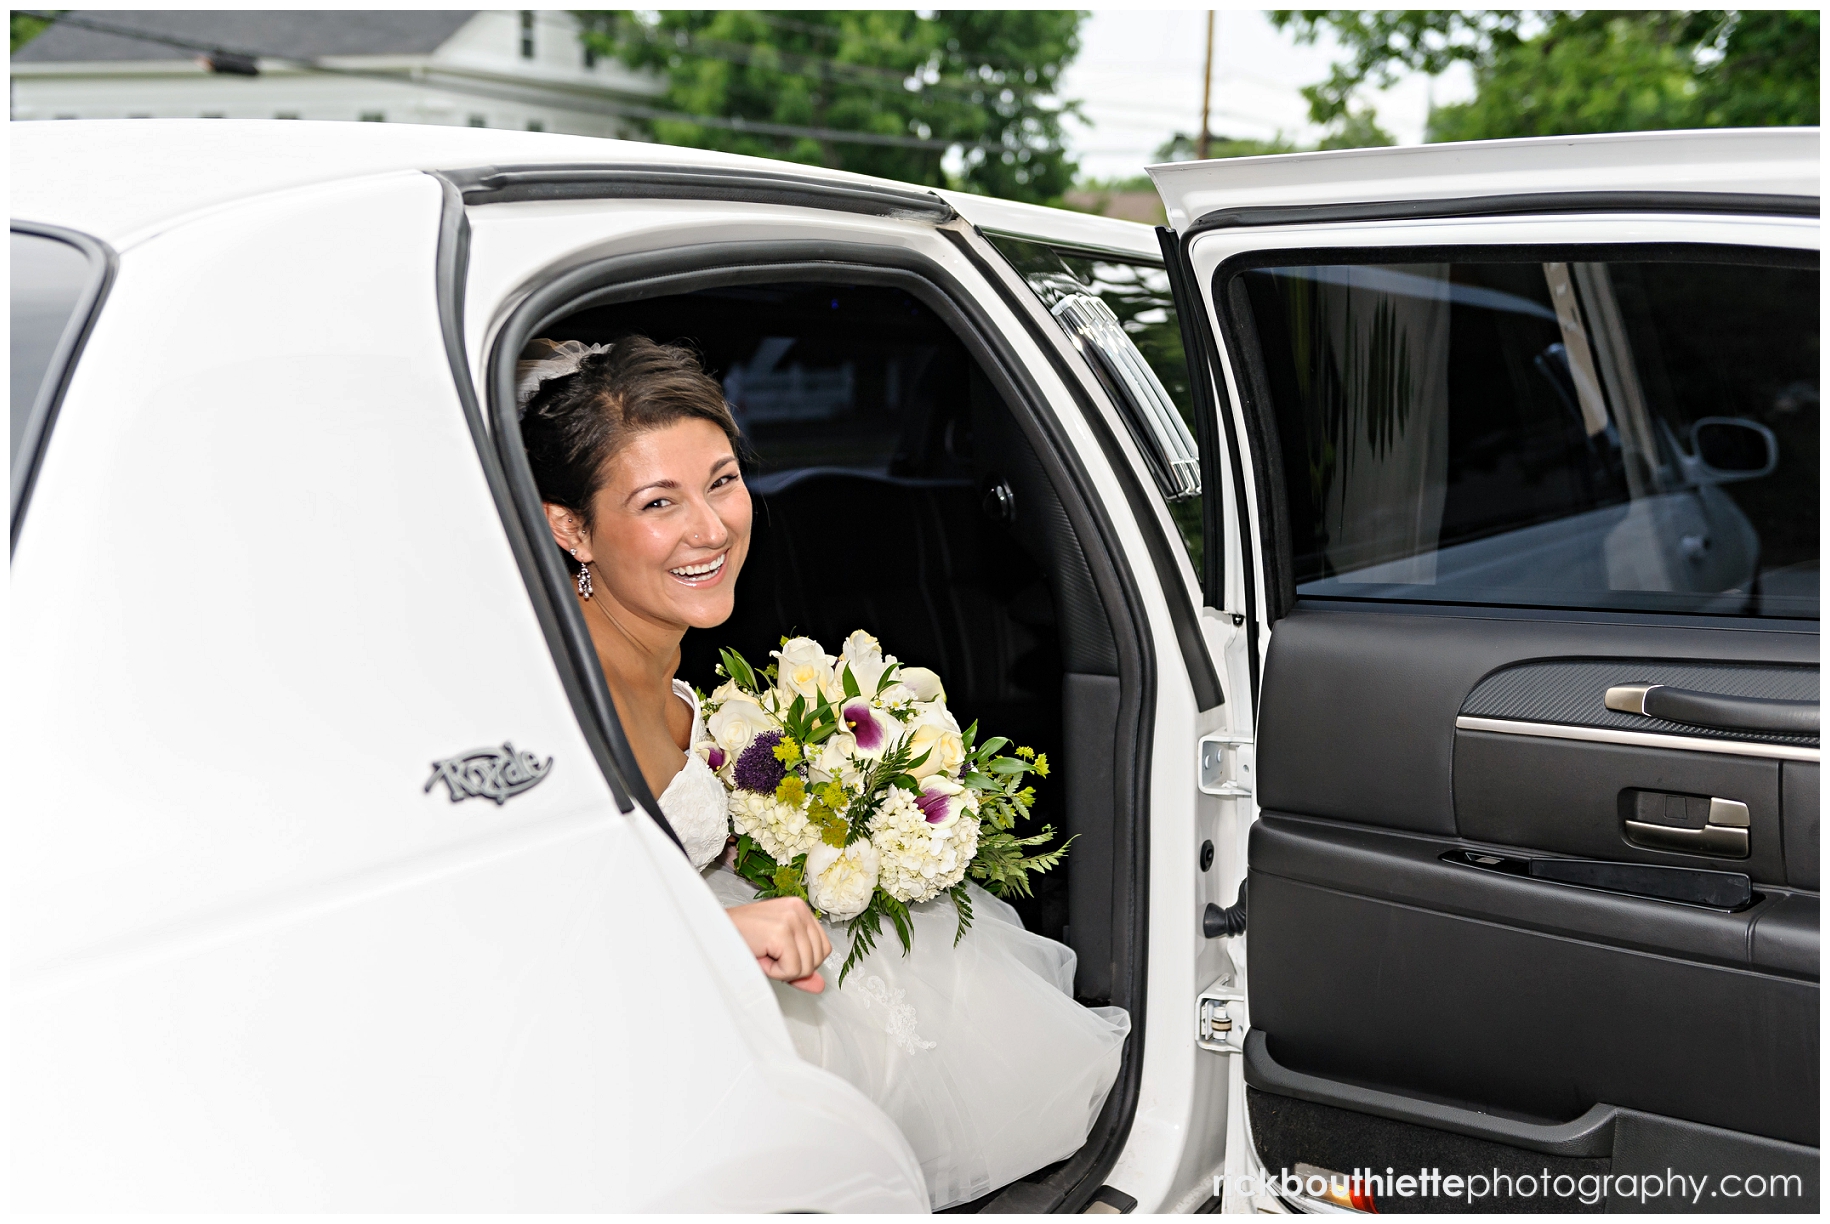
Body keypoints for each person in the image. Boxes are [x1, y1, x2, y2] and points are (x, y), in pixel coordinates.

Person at [518, 335, 1129, 1210]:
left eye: (723, 480)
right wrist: (714, 937)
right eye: (660, 502)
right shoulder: (559, 698)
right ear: (569, 526)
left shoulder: (664, 664)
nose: (712, 528)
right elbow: (531, 925)